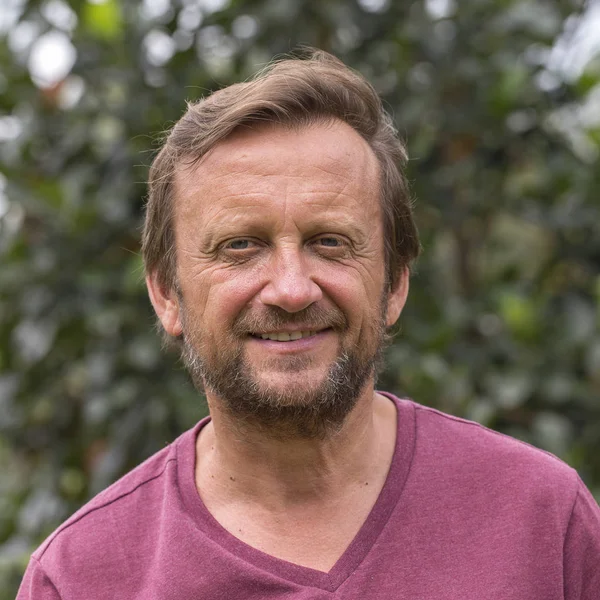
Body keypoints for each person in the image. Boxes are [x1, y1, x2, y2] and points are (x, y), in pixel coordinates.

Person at [18, 49, 600, 600]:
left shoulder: (544, 523)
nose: (292, 290)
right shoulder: (81, 577)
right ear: (167, 293)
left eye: (330, 242)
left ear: (395, 282)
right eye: (241, 246)